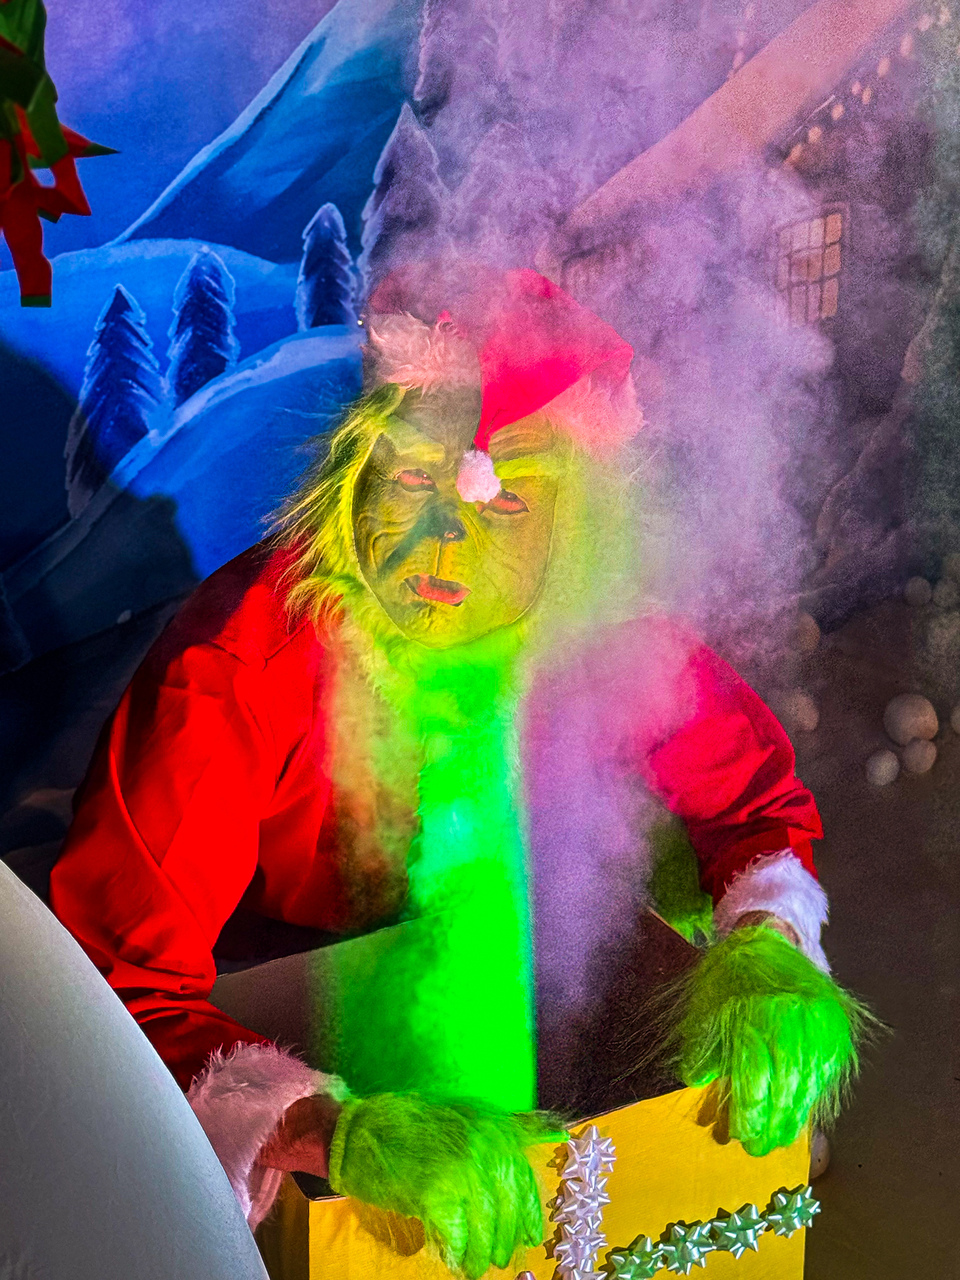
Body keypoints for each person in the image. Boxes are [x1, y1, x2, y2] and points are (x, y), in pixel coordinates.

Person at [51, 266, 863, 1279]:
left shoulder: (603, 621)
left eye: (507, 498)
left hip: (538, 939)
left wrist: (769, 948)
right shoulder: (234, 665)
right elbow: (114, 984)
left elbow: (751, 800)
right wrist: (324, 1130)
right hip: (288, 956)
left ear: (571, 525)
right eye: (411, 480)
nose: (445, 539)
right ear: (356, 474)